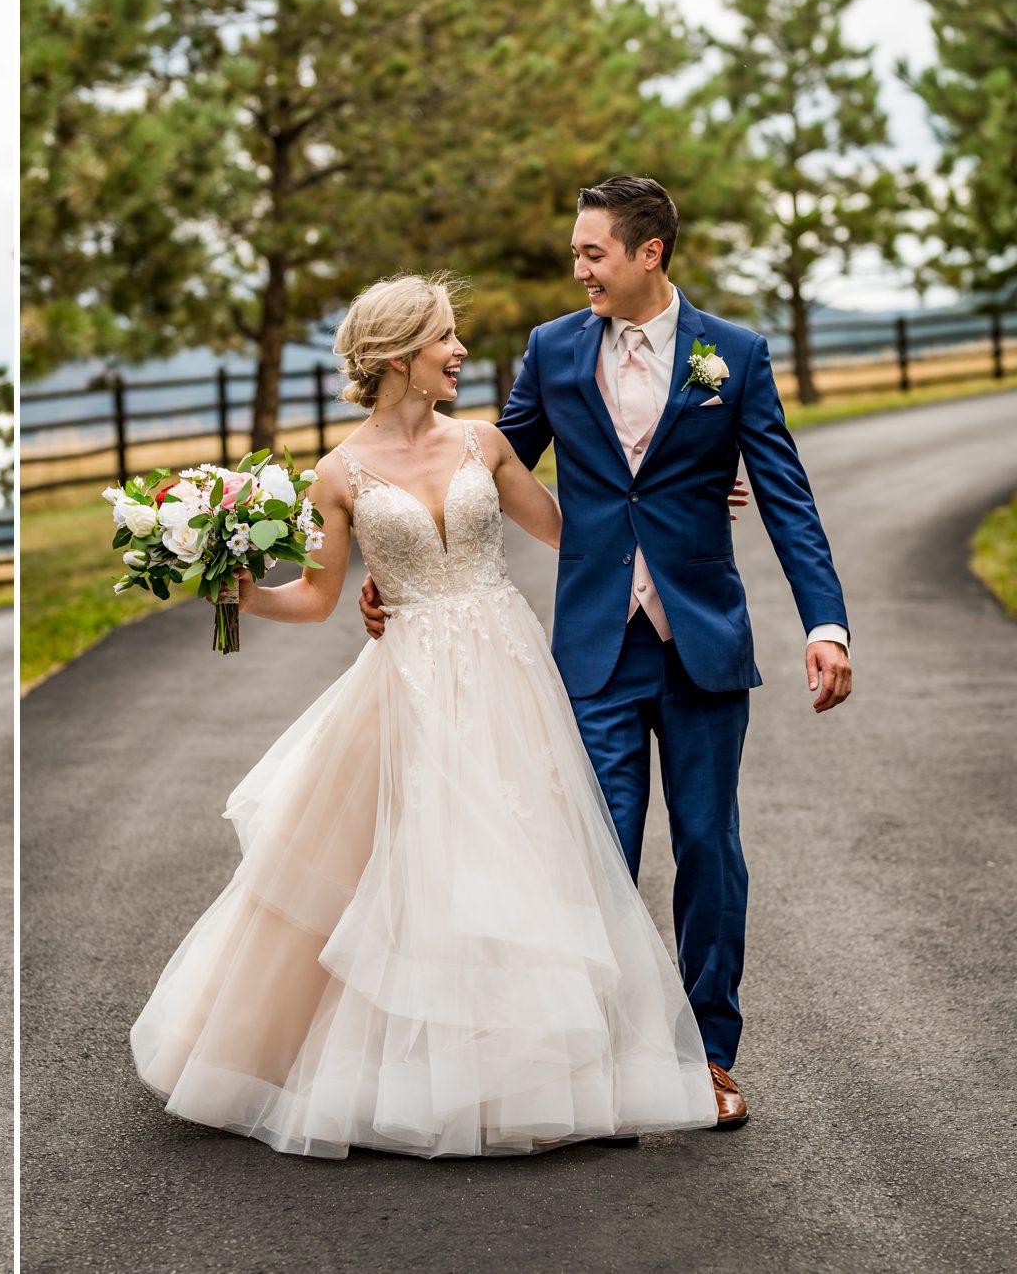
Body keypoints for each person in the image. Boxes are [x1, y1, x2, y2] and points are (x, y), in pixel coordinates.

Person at [131, 273, 719, 1158]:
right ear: (403, 354)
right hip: (406, 678)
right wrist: (242, 595)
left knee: (522, 857)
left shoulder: (483, 444)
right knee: (418, 867)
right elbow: (320, 598)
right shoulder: (340, 472)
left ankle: (540, 1071)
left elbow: (580, 532)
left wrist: (691, 501)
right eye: (447, 338)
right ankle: (409, 1079)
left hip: (508, 669)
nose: (460, 352)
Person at [359, 176, 852, 1128]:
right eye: (577, 252)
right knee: (600, 850)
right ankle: (613, 1059)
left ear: (648, 254)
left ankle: (710, 1055)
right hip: (596, 649)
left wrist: (825, 624)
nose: (576, 266)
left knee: (710, 847)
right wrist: (399, 557)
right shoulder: (551, 350)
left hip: (702, 644)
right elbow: (478, 467)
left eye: (593, 253)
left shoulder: (733, 356)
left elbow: (787, 498)